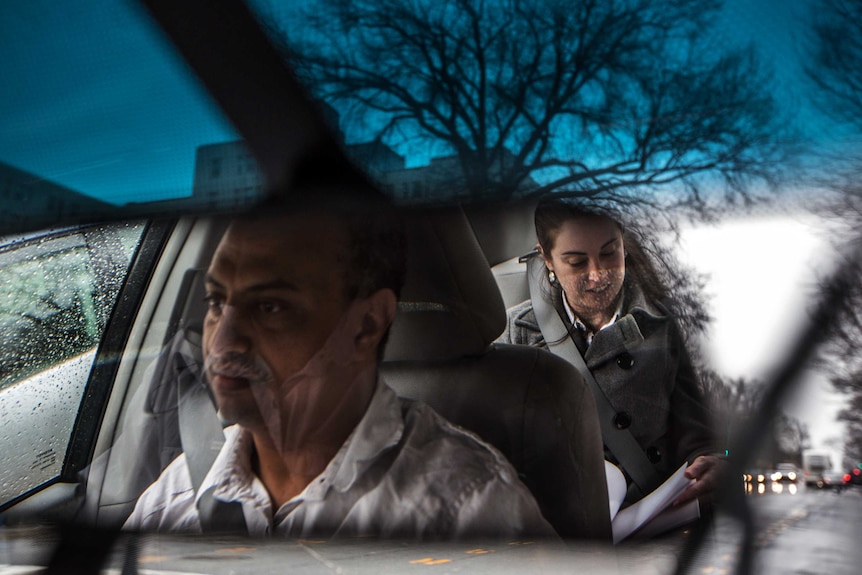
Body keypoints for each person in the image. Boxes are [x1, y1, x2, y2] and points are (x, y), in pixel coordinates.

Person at [123, 193, 556, 540]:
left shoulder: (471, 511)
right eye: (216, 302)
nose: (221, 341)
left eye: (270, 306)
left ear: (365, 325)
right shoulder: (173, 496)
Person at [499, 197, 724, 508]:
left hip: (650, 519)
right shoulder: (514, 332)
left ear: (623, 242)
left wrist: (709, 459)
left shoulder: (663, 327)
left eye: (609, 253)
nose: (598, 274)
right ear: (547, 258)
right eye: (576, 262)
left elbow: (694, 431)